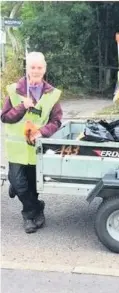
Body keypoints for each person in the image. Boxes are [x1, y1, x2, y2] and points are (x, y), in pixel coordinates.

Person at [1, 52, 63, 234]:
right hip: (17, 150)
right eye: (32, 67)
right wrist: (22, 106)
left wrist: (41, 132)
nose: (36, 71)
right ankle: (29, 214)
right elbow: (4, 117)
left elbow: (56, 121)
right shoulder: (14, 90)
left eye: (39, 67)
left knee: (33, 185)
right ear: (27, 68)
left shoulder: (52, 94)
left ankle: (36, 209)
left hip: (36, 149)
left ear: (44, 69)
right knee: (20, 184)